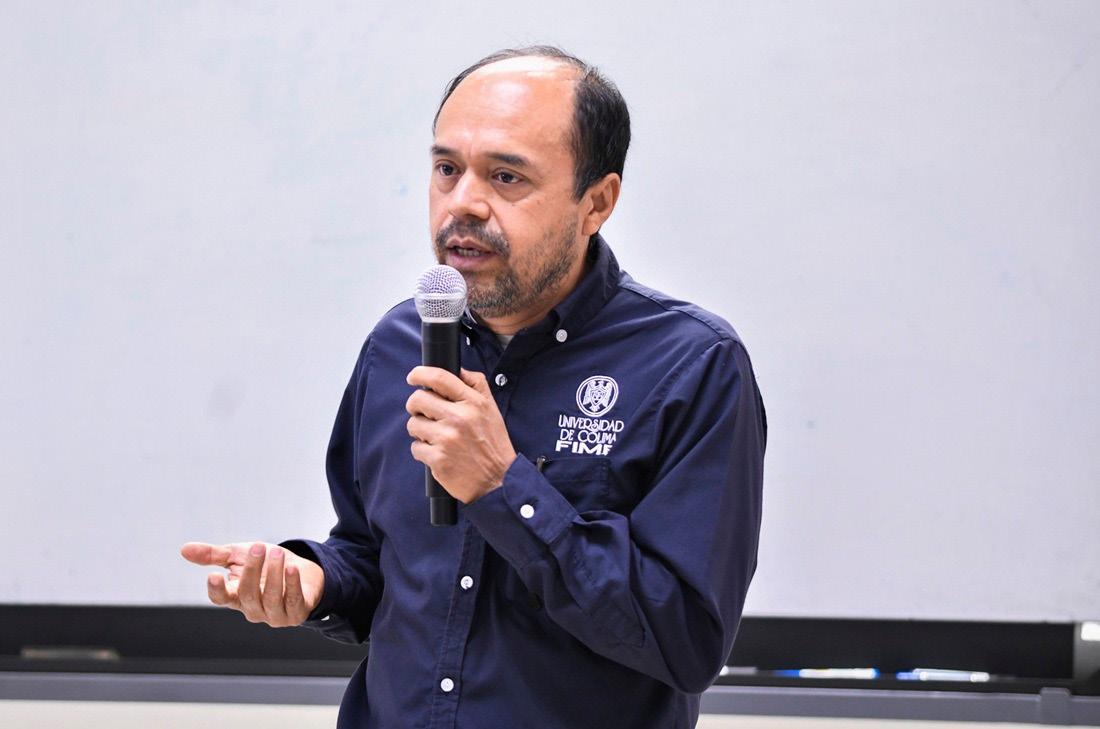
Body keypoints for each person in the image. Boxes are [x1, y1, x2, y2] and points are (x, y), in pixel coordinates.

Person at [181, 45, 766, 729]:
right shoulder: (399, 343)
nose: (462, 204)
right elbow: (378, 559)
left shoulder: (692, 366)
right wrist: (316, 580)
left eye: (507, 177)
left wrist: (502, 485)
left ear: (596, 203)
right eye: (447, 169)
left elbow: (686, 640)